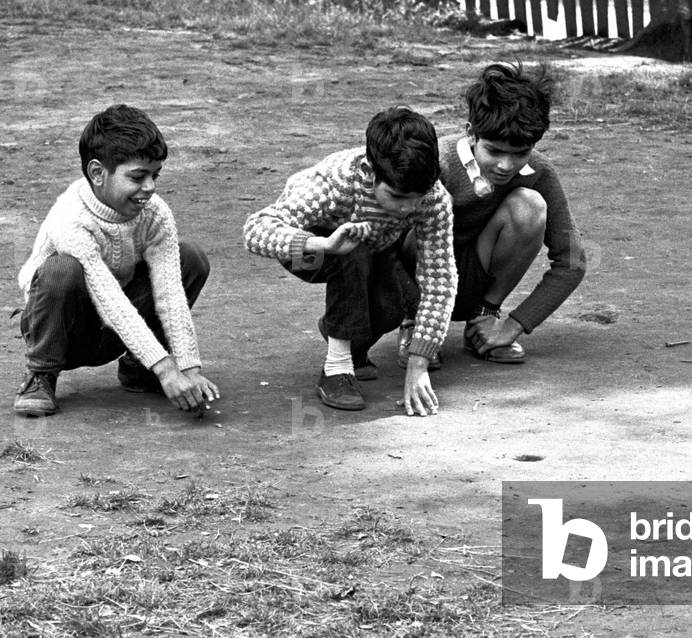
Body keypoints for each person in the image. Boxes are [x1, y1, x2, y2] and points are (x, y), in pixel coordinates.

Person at [243, 106, 456, 416]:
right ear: (370, 174)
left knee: (394, 308)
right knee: (350, 249)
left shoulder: (433, 198)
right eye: (397, 197)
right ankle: (336, 369)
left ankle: (347, 342)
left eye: (417, 197)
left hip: (375, 248)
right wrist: (322, 244)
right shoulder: (333, 182)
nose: (408, 208)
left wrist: (418, 362)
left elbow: (440, 278)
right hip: (311, 247)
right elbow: (256, 229)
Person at [14, 104, 219, 418]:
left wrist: (188, 367)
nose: (149, 187)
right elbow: (108, 299)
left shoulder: (155, 213)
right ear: (97, 173)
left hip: (116, 328)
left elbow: (170, 294)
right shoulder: (71, 217)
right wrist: (166, 370)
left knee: (190, 257)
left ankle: (139, 369)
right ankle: (40, 375)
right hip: (66, 329)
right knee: (62, 269)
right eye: (138, 176)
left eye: (155, 175)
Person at [398, 61, 585, 369]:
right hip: (420, 275)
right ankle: (414, 323)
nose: (506, 165)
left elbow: (572, 261)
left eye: (520, 152)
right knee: (408, 224)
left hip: (475, 276)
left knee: (530, 205)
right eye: (495, 151)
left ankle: (483, 320)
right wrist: (409, 308)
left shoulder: (539, 171)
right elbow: (384, 245)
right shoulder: (436, 161)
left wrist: (514, 325)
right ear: (471, 133)